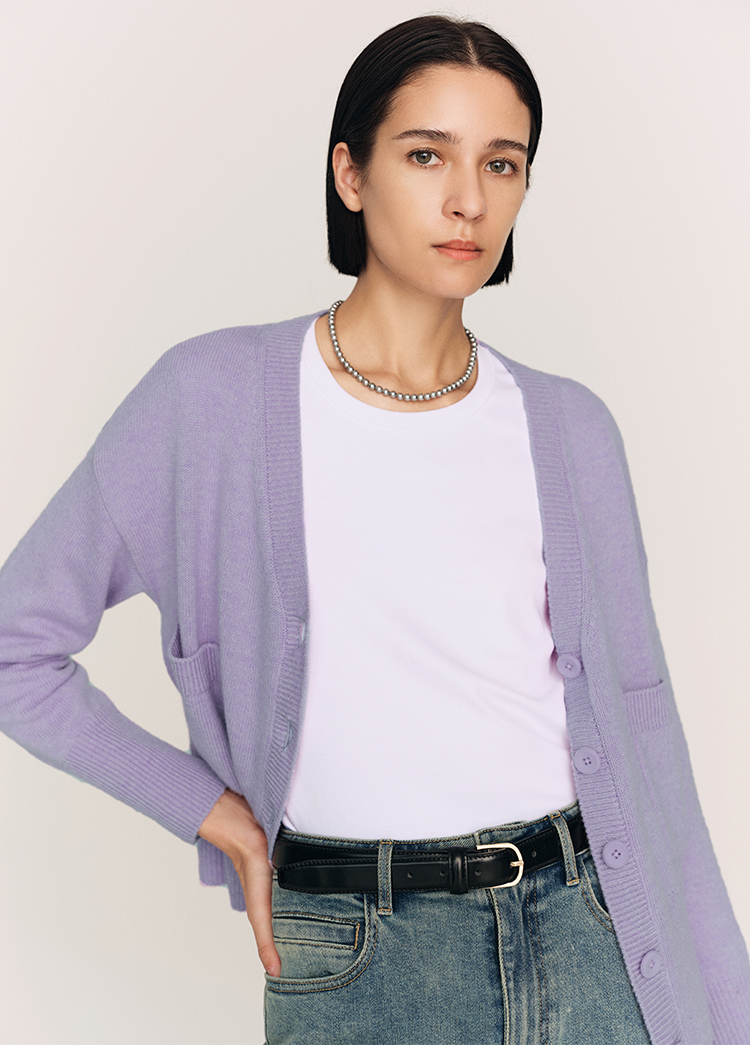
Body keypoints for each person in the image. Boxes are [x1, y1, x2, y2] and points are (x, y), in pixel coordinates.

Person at [0, 13, 748, 1044]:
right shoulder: (209, 400)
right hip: (359, 957)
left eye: (502, 163)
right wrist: (210, 812)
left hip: (588, 934)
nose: (468, 198)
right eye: (427, 154)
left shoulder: (571, 428)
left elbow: (646, 740)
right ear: (350, 173)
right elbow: (15, 646)